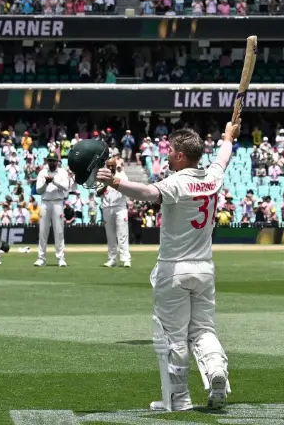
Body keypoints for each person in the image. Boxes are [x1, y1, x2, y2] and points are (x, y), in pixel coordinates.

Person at [94, 122, 236, 413]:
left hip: (174, 269)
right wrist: (227, 137)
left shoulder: (177, 182)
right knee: (203, 330)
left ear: (182, 156)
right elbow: (223, 157)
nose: (167, 154)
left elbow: (147, 192)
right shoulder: (212, 177)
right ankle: (215, 371)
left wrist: (115, 183)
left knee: (172, 336)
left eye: (170, 151)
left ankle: (178, 399)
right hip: (204, 268)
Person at [35, 150, 71, 267]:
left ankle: (60, 258)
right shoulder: (42, 173)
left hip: (57, 203)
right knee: (43, 231)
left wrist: (54, 182)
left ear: (57, 162)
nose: (51, 163)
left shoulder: (62, 172)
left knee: (59, 231)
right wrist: (46, 183)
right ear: (47, 161)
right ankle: (41, 258)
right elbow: (38, 191)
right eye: (49, 161)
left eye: (53, 161)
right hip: (45, 202)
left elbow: (66, 188)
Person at [100, 164, 131, 268]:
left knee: (122, 234)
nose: (110, 168)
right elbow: (97, 193)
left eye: (112, 166)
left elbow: (126, 189)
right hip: (107, 207)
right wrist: (105, 184)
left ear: (115, 166)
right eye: (108, 166)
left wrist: (114, 182)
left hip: (120, 207)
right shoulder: (102, 176)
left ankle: (126, 259)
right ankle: (112, 259)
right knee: (110, 235)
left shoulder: (122, 176)